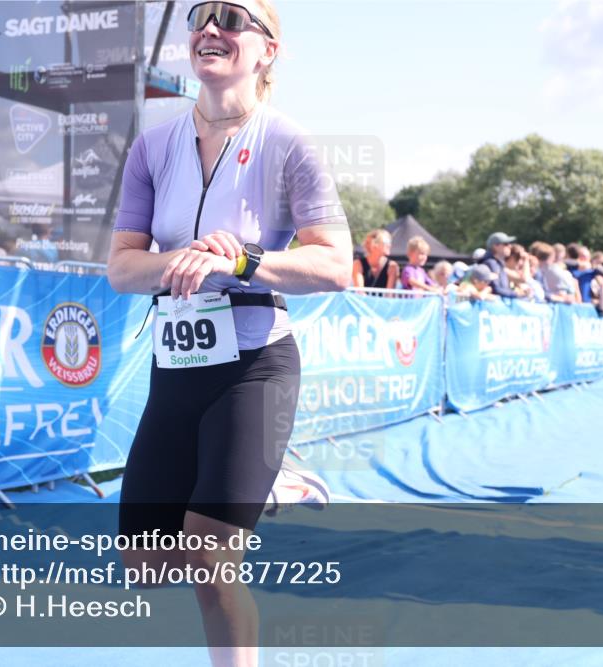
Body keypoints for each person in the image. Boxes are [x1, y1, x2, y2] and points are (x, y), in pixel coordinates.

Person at [105, 3, 352, 665]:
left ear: (268, 51)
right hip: (176, 368)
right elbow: (123, 269)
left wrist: (238, 260)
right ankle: (273, 482)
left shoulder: (289, 144)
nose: (210, 28)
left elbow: (335, 264)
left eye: (232, 18)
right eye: (200, 16)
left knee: (211, 555)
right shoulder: (153, 146)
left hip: (255, 366)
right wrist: (186, 259)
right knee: (147, 562)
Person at [480, 231, 520, 298]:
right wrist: (516, 294)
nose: (510, 246)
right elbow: (496, 289)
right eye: (506, 244)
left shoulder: (497, 263)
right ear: (496, 246)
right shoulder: (491, 263)